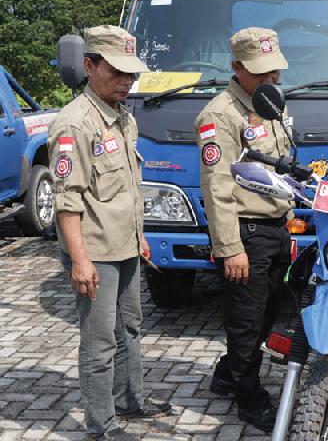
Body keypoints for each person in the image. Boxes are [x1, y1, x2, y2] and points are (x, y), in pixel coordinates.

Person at [49, 25, 171, 441]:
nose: (126, 80)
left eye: (131, 73)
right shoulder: (75, 124)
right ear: (89, 65)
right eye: (116, 70)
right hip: (95, 251)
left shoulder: (122, 117)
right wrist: (80, 261)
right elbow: (69, 201)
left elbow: (126, 189)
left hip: (125, 245)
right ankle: (101, 427)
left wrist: (138, 235)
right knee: (99, 343)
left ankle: (130, 399)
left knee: (129, 328)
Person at [196, 27, 292, 432]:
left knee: (271, 313)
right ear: (236, 67)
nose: (271, 78)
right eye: (260, 71)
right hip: (245, 232)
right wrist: (229, 247)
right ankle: (250, 399)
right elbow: (217, 188)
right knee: (246, 321)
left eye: (275, 70)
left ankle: (226, 372)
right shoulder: (219, 116)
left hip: (277, 227)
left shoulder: (273, 102)